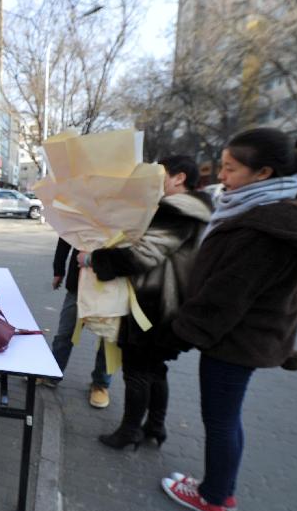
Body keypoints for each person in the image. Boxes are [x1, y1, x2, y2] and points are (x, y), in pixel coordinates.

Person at [156, 128, 297, 511]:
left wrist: (180, 335)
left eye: (231, 168)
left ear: (263, 173)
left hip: (235, 340)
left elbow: (227, 294)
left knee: (220, 419)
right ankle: (224, 490)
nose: (222, 176)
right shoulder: (266, 210)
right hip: (248, 336)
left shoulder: (266, 225)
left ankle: (211, 498)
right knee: (227, 417)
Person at [78, 156, 213, 450]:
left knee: (137, 371)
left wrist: (93, 258)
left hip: (152, 305)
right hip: (170, 304)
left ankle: (129, 432)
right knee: (156, 370)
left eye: (159, 174)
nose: (152, 180)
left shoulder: (176, 210)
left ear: (179, 178)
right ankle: (155, 427)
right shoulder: (194, 211)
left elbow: (143, 257)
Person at [44, 237, 112, 409]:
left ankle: (100, 384)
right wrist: (58, 270)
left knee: (108, 338)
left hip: (112, 286)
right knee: (65, 332)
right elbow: (66, 235)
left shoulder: (128, 211)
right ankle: (52, 372)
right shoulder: (81, 210)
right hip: (78, 284)